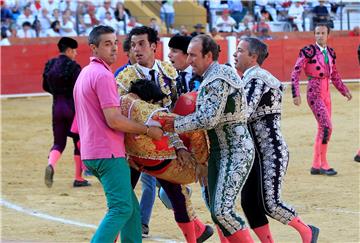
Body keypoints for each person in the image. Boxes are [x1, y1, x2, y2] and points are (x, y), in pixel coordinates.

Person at [116, 26, 213, 242]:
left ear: (153, 46)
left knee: (178, 198)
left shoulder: (169, 72)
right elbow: (121, 114)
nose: (136, 50)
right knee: (121, 202)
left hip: (165, 147)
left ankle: (193, 237)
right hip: (132, 149)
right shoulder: (124, 77)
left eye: (141, 44)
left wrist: (178, 146)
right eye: (133, 45)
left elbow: (173, 114)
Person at [159, 34, 255, 242]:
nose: (190, 59)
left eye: (193, 55)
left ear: (208, 55)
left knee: (222, 211)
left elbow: (208, 119)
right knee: (215, 207)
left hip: (236, 150)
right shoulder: (213, 76)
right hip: (219, 152)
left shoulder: (217, 77)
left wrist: (174, 124)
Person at [73, 25, 163, 243]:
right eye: (107, 44)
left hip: (91, 151)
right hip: (108, 153)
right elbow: (113, 120)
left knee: (131, 209)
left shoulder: (85, 73)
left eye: (115, 43)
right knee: (121, 208)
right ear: (94, 48)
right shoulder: (103, 76)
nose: (114, 48)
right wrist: (147, 129)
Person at [234, 37, 320, 243]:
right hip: (255, 152)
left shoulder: (257, 79)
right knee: (249, 202)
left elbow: (243, 112)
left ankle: (307, 231)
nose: (235, 54)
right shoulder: (250, 78)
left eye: (240, 51)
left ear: (253, 57)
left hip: (271, 151)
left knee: (270, 203)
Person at [291, 23, 352, 176]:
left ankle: (315, 165)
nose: (319, 35)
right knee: (326, 127)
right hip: (314, 91)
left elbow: (335, 75)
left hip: (327, 92)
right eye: (317, 33)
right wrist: (295, 93)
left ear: (327, 35)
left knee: (322, 128)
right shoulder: (308, 51)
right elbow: (295, 72)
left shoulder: (331, 52)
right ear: (314, 34)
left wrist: (344, 90)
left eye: (322, 33)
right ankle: (324, 164)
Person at [43, 37, 90, 188]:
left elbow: (45, 86)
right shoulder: (74, 67)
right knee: (78, 141)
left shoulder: (50, 65)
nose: (75, 54)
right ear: (69, 50)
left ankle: (51, 164)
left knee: (58, 143)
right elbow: (80, 89)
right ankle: (78, 177)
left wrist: (57, 94)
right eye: (74, 51)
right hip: (72, 108)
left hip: (56, 107)